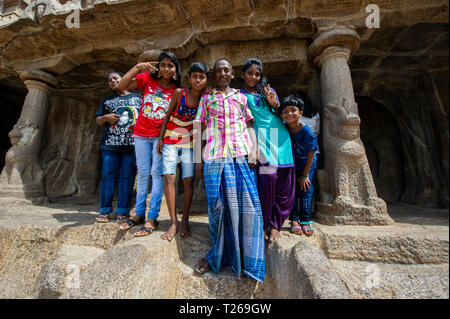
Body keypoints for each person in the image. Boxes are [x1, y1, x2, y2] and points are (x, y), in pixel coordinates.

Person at [193, 58, 265, 282]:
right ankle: (218, 255)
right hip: (214, 156)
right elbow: (199, 128)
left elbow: (250, 124)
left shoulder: (241, 97)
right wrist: (197, 160)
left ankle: (247, 260)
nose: (223, 73)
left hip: (240, 155)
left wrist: (254, 150)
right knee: (218, 209)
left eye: (226, 70)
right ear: (215, 75)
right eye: (218, 71)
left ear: (232, 73)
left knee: (247, 207)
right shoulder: (207, 99)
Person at [118, 51, 181, 237]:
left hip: (160, 136)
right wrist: (138, 67)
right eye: (163, 65)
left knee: (156, 173)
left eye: (171, 65)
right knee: (143, 172)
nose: (167, 69)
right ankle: (138, 213)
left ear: (176, 69)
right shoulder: (147, 79)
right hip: (140, 134)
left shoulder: (177, 88)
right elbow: (122, 85)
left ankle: (152, 217)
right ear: (158, 67)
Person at [240, 58, 295, 243]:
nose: (254, 77)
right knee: (268, 180)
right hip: (261, 138)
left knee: (284, 184)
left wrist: (274, 103)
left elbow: (280, 112)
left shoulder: (268, 91)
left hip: (280, 135)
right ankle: (264, 223)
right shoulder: (238, 95)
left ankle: (276, 225)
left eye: (257, 74)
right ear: (243, 74)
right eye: (250, 73)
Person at [156, 62, 210, 241]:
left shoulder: (206, 99)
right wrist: (160, 138)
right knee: (169, 177)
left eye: (202, 77)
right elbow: (167, 115)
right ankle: (174, 222)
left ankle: (185, 220)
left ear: (206, 80)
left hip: (190, 143)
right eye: (195, 76)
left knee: (188, 180)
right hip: (171, 139)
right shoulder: (180, 93)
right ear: (189, 79)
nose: (198, 80)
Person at [95, 72, 141, 223]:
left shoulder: (137, 98)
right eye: (109, 80)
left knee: (127, 177)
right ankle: (105, 211)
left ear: (124, 79)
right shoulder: (108, 100)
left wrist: (138, 123)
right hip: (110, 144)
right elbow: (98, 121)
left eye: (116, 78)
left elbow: (146, 116)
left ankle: (122, 211)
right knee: (108, 176)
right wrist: (106, 118)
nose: (113, 81)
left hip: (131, 145)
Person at [279, 95, 318, 236]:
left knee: (306, 190)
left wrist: (305, 174)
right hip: (293, 164)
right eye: (285, 111)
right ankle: (294, 220)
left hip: (307, 165)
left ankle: (305, 220)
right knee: (293, 191)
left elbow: (311, 154)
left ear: (300, 112)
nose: (289, 114)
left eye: (293, 110)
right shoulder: (285, 128)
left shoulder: (306, 131)